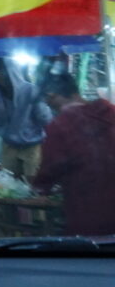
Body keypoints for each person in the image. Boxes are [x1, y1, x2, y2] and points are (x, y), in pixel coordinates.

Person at [33, 74, 115, 236]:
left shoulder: (60, 125)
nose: (47, 105)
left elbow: (51, 168)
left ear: (51, 95)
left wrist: (40, 188)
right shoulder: (110, 111)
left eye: (46, 99)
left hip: (89, 212)